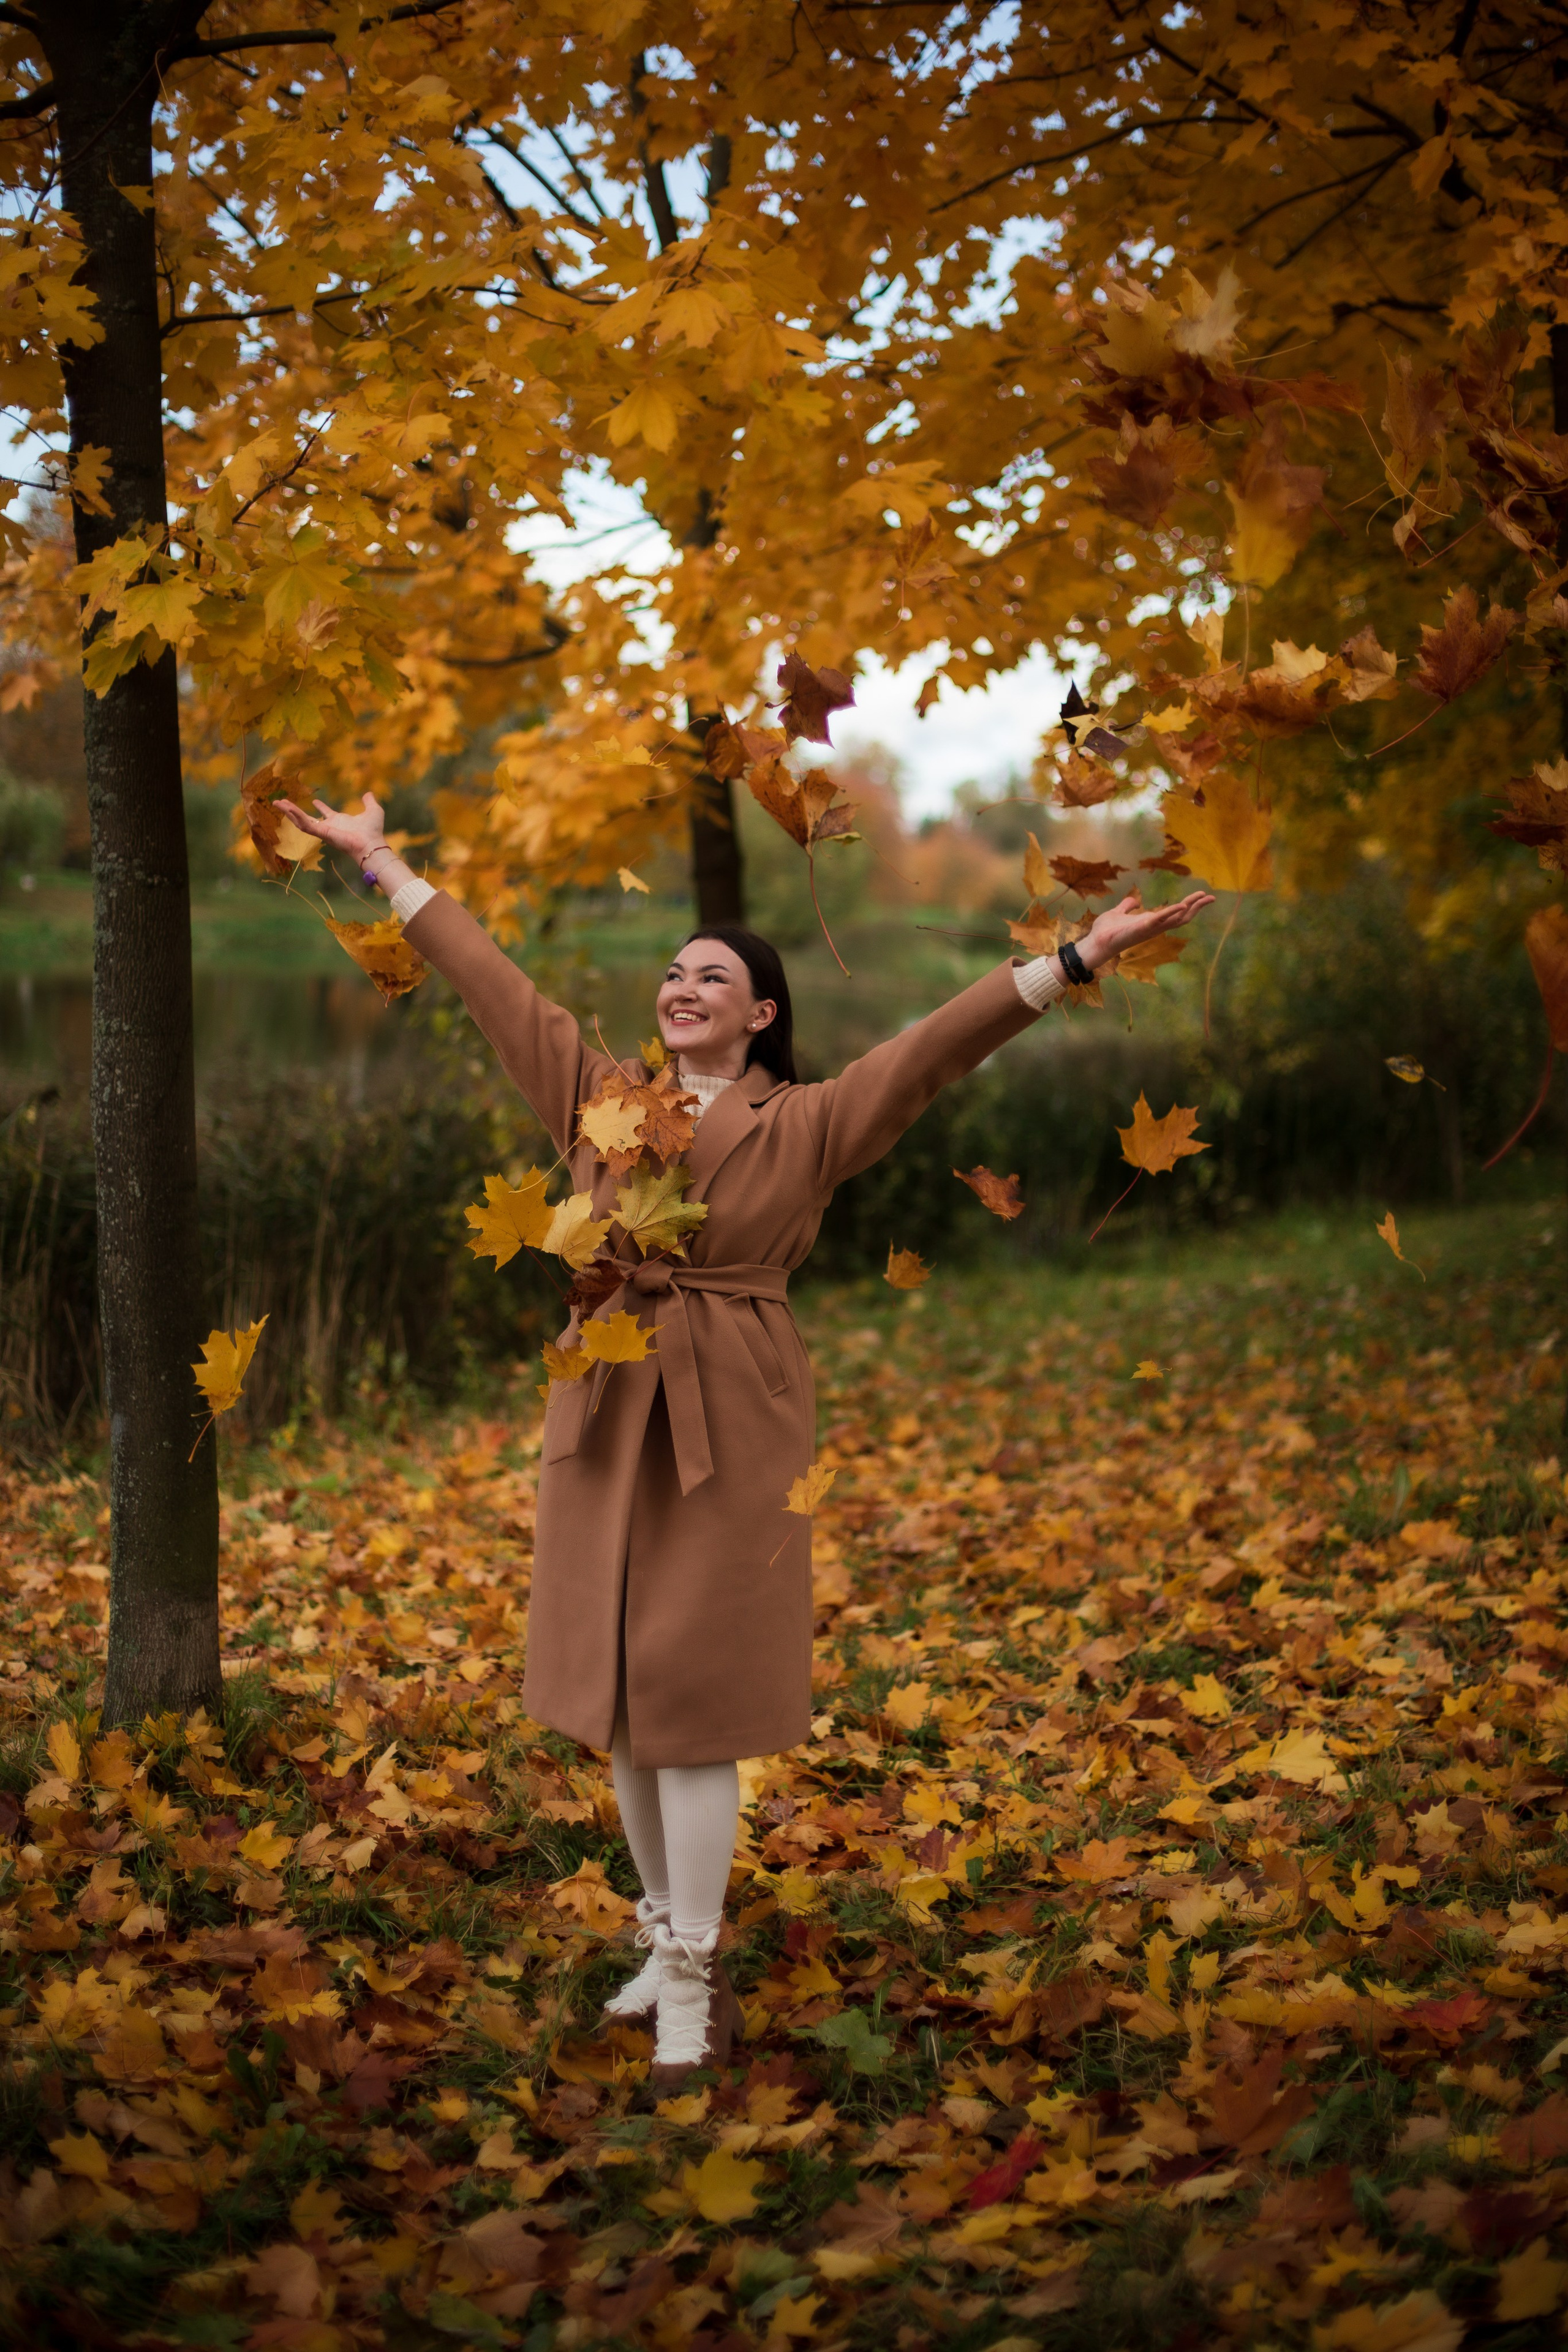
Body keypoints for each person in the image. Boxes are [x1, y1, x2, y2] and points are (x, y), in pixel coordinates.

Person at [279, 786, 1213, 2090]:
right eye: (669, 972)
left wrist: (1070, 960)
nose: (679, 987)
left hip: (733, 1405)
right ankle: (659, 1945)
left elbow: (934, 1049)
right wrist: (379, 864)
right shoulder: (603, 1102)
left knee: (693, 1698)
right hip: (606, 1398)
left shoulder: (810, 1123)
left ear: (760, 1011)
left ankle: (695, 1981)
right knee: (617, 1689)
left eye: (708, 976)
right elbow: (497, 986)